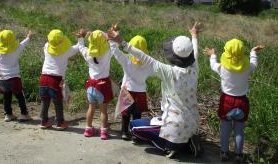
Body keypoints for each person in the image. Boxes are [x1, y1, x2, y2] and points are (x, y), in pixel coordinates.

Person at [107, 22, 202, 158]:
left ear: (173, 56)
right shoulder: (194, 69)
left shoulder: (169, 72)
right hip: (192, 124)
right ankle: (187, 141)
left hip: (173, 126)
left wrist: (122, 42)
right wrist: (194, 36)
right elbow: (196, 53)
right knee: (155, 120)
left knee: (134, 127)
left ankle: (169, 146)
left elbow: (146, 58)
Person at [203, 39, 264, 163]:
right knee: (239, 130)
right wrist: (253, 52)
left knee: (225, 129)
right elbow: (254, 63)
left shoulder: (222, 67)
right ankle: (238, 155)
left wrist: (213, 55)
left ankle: (224, 152)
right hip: (242, 102)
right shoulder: (247, 67)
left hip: (226, 101)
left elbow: (213, 65)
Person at [107, 26, 152, 140]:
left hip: (127, 90)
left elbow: (116, 52)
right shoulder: (148, 63)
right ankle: (136, 134)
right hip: (141, 92)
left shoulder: (127, 60)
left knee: (125, 113)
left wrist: (112, 39)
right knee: (137, 115)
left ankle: (124, 132)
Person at [76, 29, 113, 140]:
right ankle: (104, 131)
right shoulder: (107, 53)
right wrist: (110, 37)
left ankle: (88, 129)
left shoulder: (88, 53)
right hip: (103, 85)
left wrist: (81, 37)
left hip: (91, 86)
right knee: (103, 111)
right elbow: (113, 45)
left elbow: (80, 47)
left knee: (91, 108)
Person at [39, 29, 79, 130]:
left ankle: (44, 121)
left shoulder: (46, 47)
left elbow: (49, 43)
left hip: (43, 77)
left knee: (45, 100)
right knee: (57, 102)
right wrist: (81, 38)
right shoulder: (66, 51)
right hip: (55, 79)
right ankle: (60, 123)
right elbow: (78, 47)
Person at [0, 29, 32, 122]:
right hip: (14, 78)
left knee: (6, 97)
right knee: (20, 96)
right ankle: (24, 114)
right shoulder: (16, 49)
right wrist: (28, 37)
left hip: (3, 78)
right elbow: (23, 44)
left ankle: (8, 114)